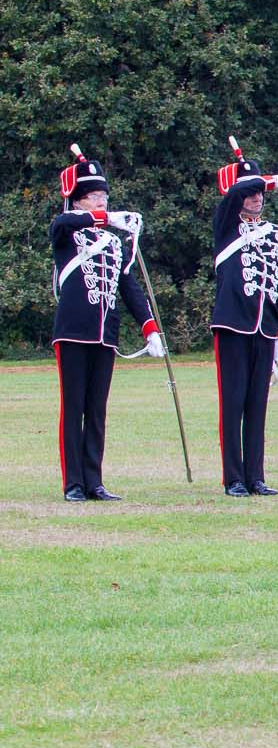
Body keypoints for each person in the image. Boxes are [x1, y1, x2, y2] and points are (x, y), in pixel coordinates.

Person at [50, 150, 161, 502]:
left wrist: (149, 327)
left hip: (104, 333)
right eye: (95, 197)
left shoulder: (114, 243)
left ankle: (94, 481)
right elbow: (62, 224)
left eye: (104, 197)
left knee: (96, 409)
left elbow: (128, 287)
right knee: (73, 407)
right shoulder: (68, 232)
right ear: (79, 201)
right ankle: (73, 484)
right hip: (72, 330)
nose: (102, 202)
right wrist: (105, 217)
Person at [209, 143, 278, 496]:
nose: (257, 199)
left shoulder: (274, 233)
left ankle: (256, 475)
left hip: (264, 327)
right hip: (233, 323)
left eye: (260, 194)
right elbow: (233, 191)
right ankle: (233, 477)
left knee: (257, 406)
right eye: (252, 193)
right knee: (232, 404)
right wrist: (270, 180)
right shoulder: (226, 226)